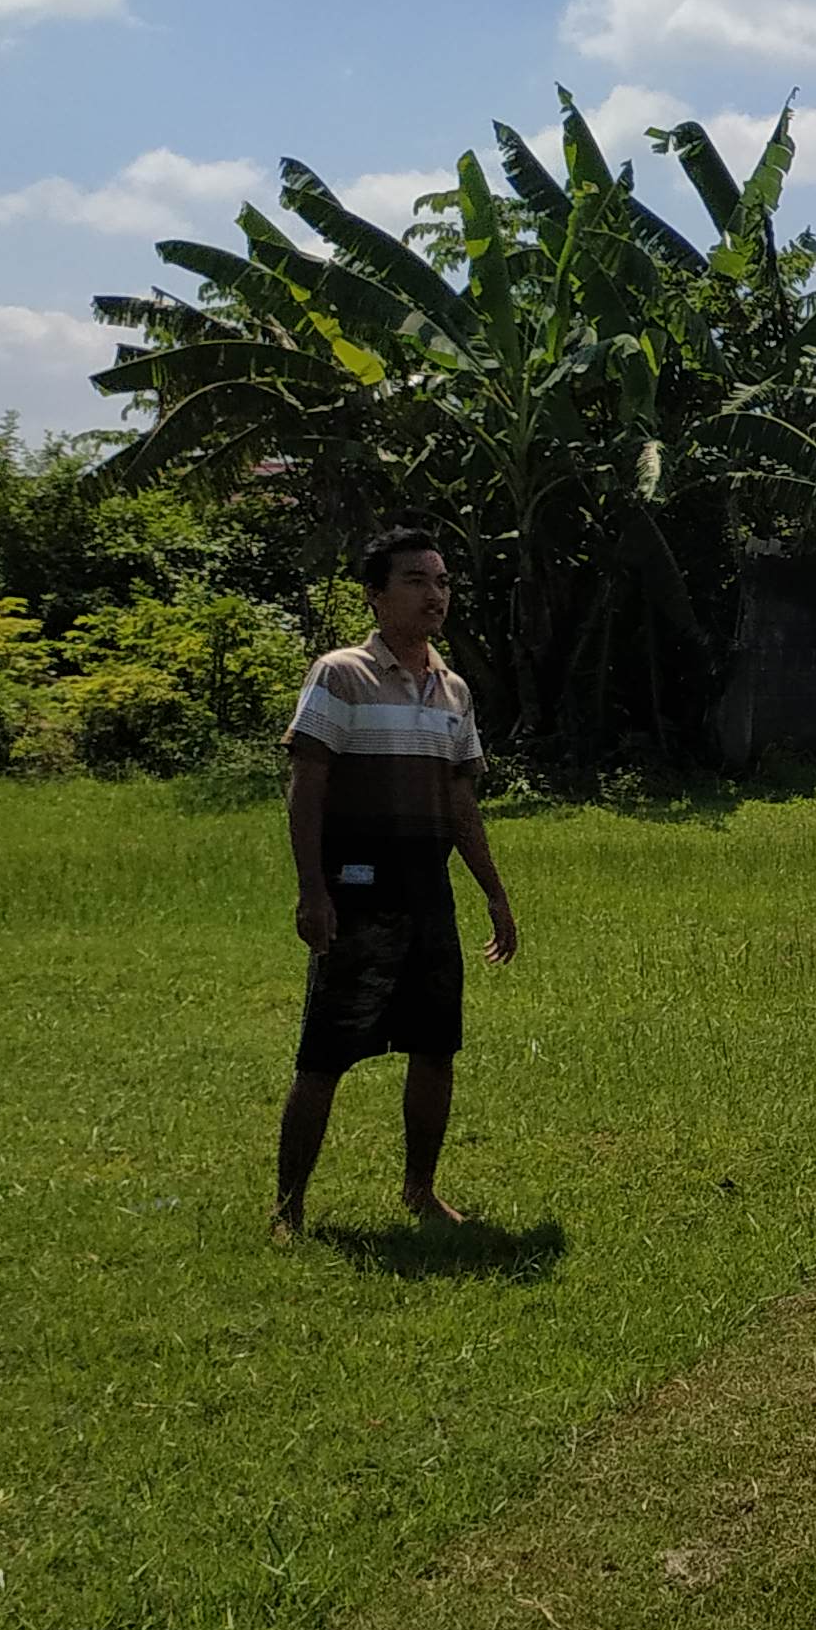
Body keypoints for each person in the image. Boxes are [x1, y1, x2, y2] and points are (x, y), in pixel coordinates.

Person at [272, 529, 517, 1240]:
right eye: (415, 580)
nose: (434, 594)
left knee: (435, 1045)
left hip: (426, 888)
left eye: (441, 581)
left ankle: (421, 1190)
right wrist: (312, 889)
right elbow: (307, 784)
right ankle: (288, 1208)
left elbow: (461, 802)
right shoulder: (340, 675)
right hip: (356, 886)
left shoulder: (454, 688)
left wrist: (493, 891)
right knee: (325, 1051)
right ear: (376, 595)